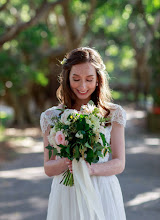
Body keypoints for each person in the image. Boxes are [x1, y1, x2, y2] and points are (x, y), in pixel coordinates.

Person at [40, 47, 127, 220]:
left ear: (98, 80)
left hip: (102, 189)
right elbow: (48, 167)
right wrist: (69, 161)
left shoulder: (114, 114)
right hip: (66, 192)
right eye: (76, 79)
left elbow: (119, 163)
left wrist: (90, 169)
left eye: (89, 79)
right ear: (67, 79)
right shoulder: (51, 117)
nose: (82, 86)